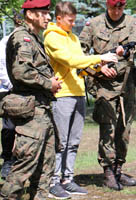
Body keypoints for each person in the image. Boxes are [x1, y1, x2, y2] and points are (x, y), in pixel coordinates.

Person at [43, 1, 118, 198]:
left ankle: (68, 179)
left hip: (78, 93)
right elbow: (70, 61)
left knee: (74, 141)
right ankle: (53, 181)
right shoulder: (51, 37)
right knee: (61, 141)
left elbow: (80, 66)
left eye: (75, 20)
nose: (73, 24)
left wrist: (98, 67)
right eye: (70, 20)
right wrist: (99, 57)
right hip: (61, 95)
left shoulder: (74, 37)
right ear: (58, 18)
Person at [0, 0, 62, 199]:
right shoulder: (22, 38)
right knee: (25, 165)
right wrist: (48, 84)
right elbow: (21, 72)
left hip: (42, 108)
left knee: (46, 164)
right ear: (30, 14)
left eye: (48, 12)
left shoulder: (33, 38)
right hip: (31, 111)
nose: (49, 17)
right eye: (43, 12)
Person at [79, 0, 136, 191]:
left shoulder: (132, 23)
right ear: (107, 6)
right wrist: (98, 66)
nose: (117, 11)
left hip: (126, 84)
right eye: (113, 6)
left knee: (124, 127)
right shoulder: (94, 24)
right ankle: (107, 172)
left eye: (120, 7)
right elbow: (80, 52)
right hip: (103, 85)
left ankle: (118, 169)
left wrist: (127, 50)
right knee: (107, 128)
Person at [0, 11, 23, 181]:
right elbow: (2, 68)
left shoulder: (34, 41)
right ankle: (7, 159)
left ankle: (21, 160)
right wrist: (13, 86)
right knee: (9, 127)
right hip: (8, 90)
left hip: (25, 91)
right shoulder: (5, 42)